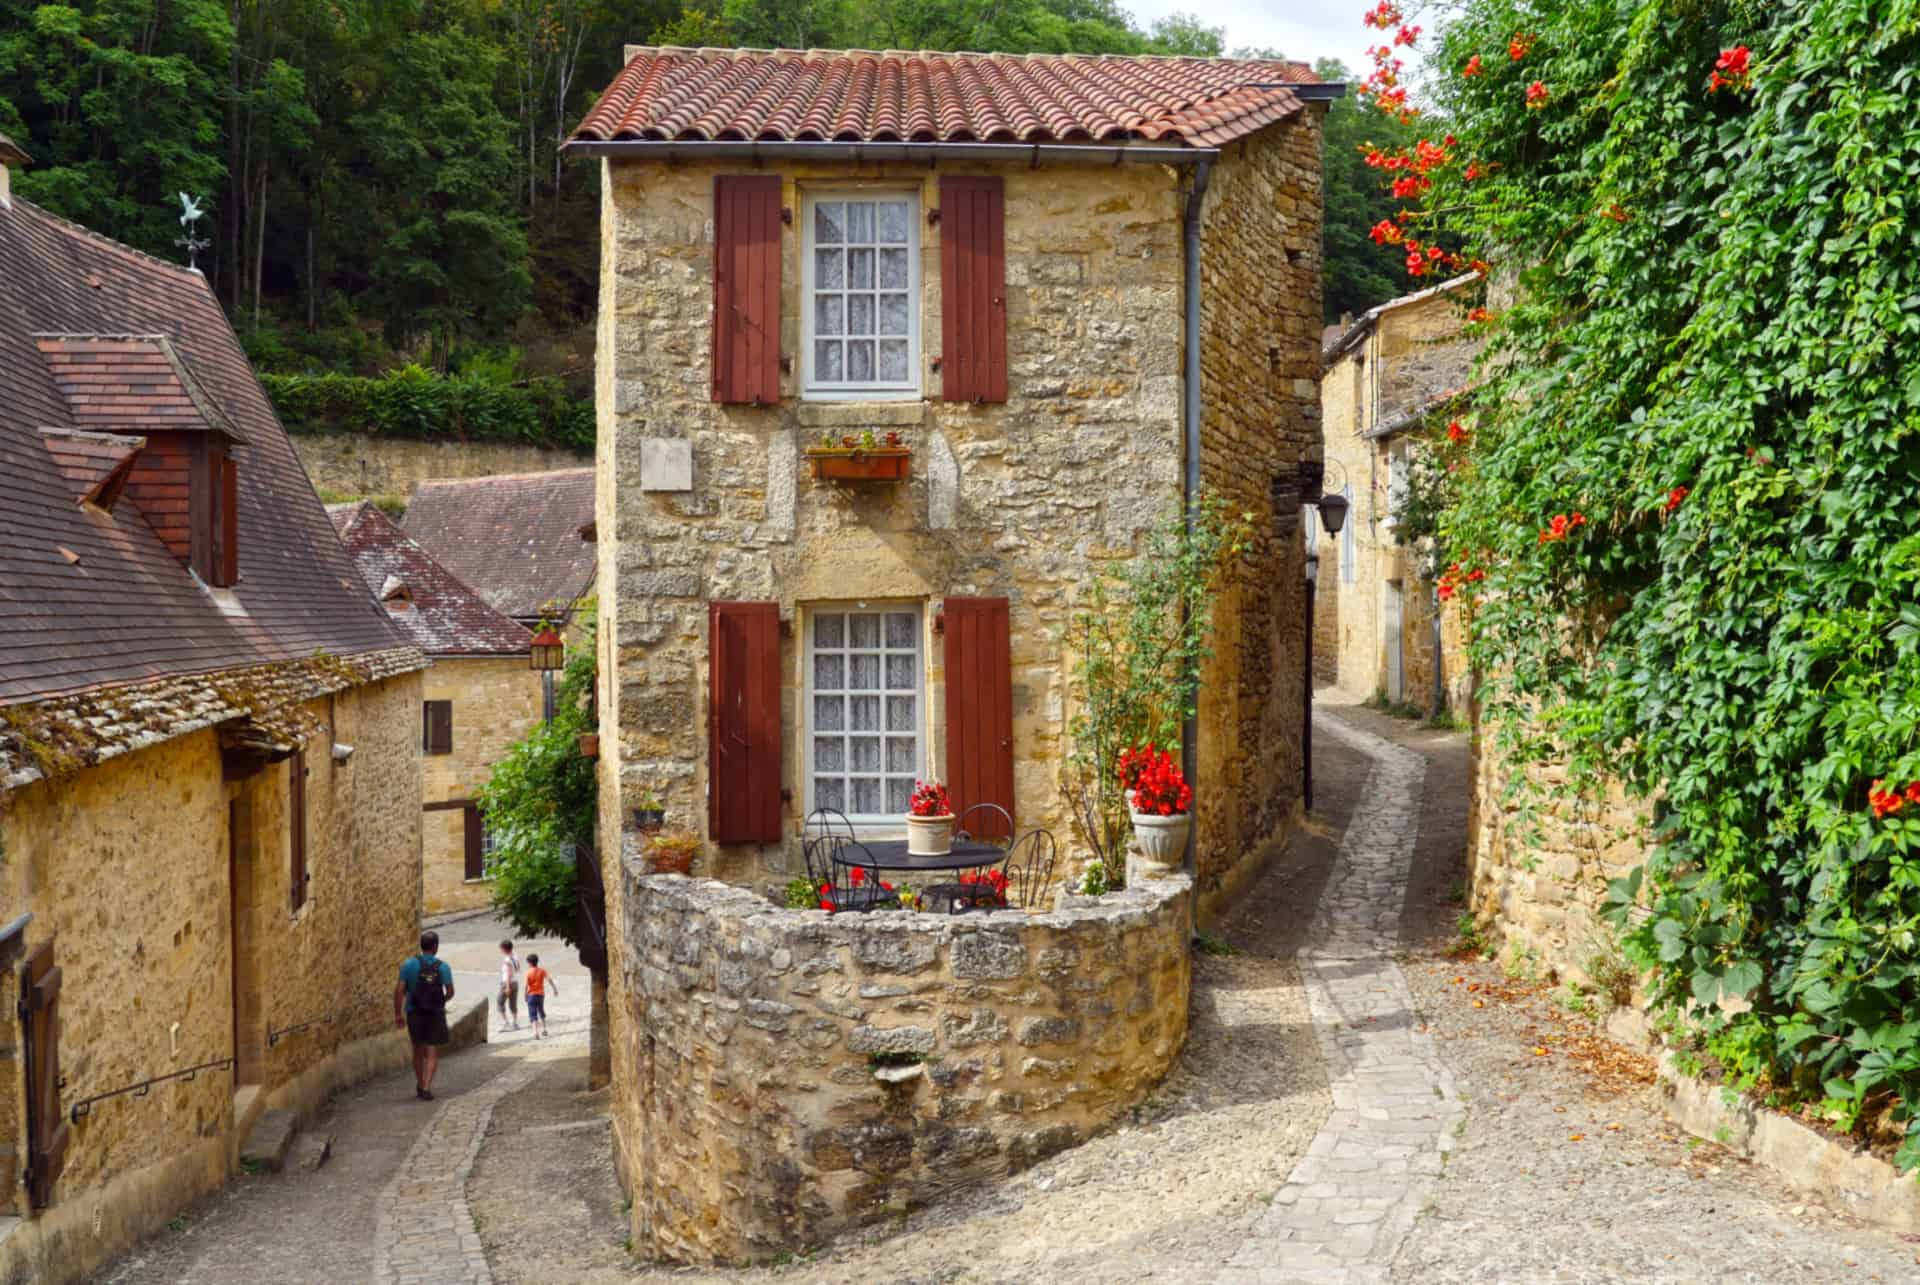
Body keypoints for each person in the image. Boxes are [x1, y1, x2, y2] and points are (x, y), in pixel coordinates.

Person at [395, 930, 454, 1100]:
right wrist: (441, 1001)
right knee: (431, 1051)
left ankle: (420, 1083)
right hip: (435, 1013)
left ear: (421, 945)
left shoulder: (408, 965)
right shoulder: (443, 967)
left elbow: (399, 991)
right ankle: (427, 1087)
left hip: (414, 1012)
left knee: (417, 1050)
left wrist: (398, 1014)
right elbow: (450, 991)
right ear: (435, 946)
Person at [524, 952, 557, 1040]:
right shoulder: (542, 971)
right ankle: (544, 1029)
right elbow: (549, 979)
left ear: (530, 963)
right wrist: (554, 989)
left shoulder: (529, 972)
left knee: (532, 1014)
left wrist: (525, 995)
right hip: (541, 995)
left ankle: (535, 1033)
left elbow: (526, 986)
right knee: (541, 1011)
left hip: (531, 995)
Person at [497, 939, 521, 1031]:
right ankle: (514, 1023)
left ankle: (505, 1023)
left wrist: (507, 987)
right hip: (515, 982)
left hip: (508, 983)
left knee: (500, 1002)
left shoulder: (507, 960)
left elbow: (507, 974)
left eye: (501, 949)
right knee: (513, 1004)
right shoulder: (515, 955)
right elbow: (518, 968)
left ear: (504, 949)